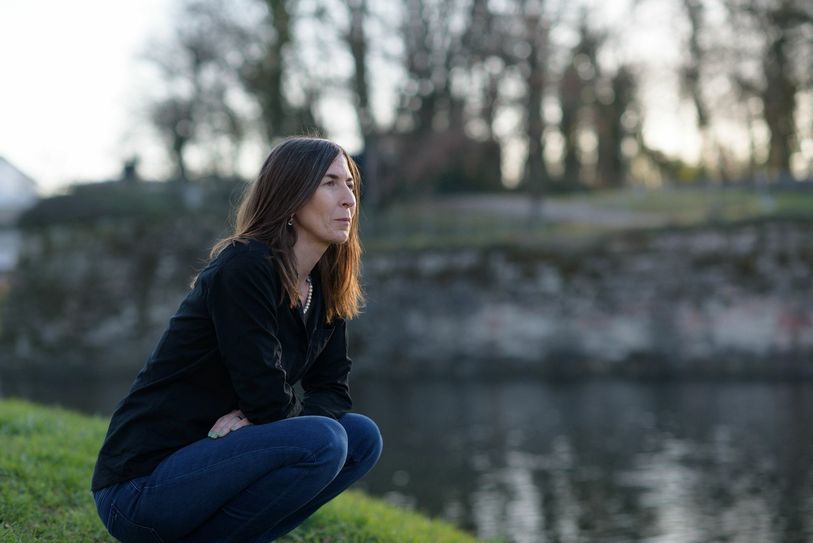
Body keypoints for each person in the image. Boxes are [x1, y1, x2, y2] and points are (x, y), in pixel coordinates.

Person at [91, 136, 383, 543]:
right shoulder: (246, 267)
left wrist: (264, 420)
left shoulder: (324, 285)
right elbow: (265, 395)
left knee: (361, 438)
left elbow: (332, 390)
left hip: (217, 466)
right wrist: (268, 417)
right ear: (292, 195)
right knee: (325, 439)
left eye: (350, 184)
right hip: (141, 486)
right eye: (330, 183)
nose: (349, 199)